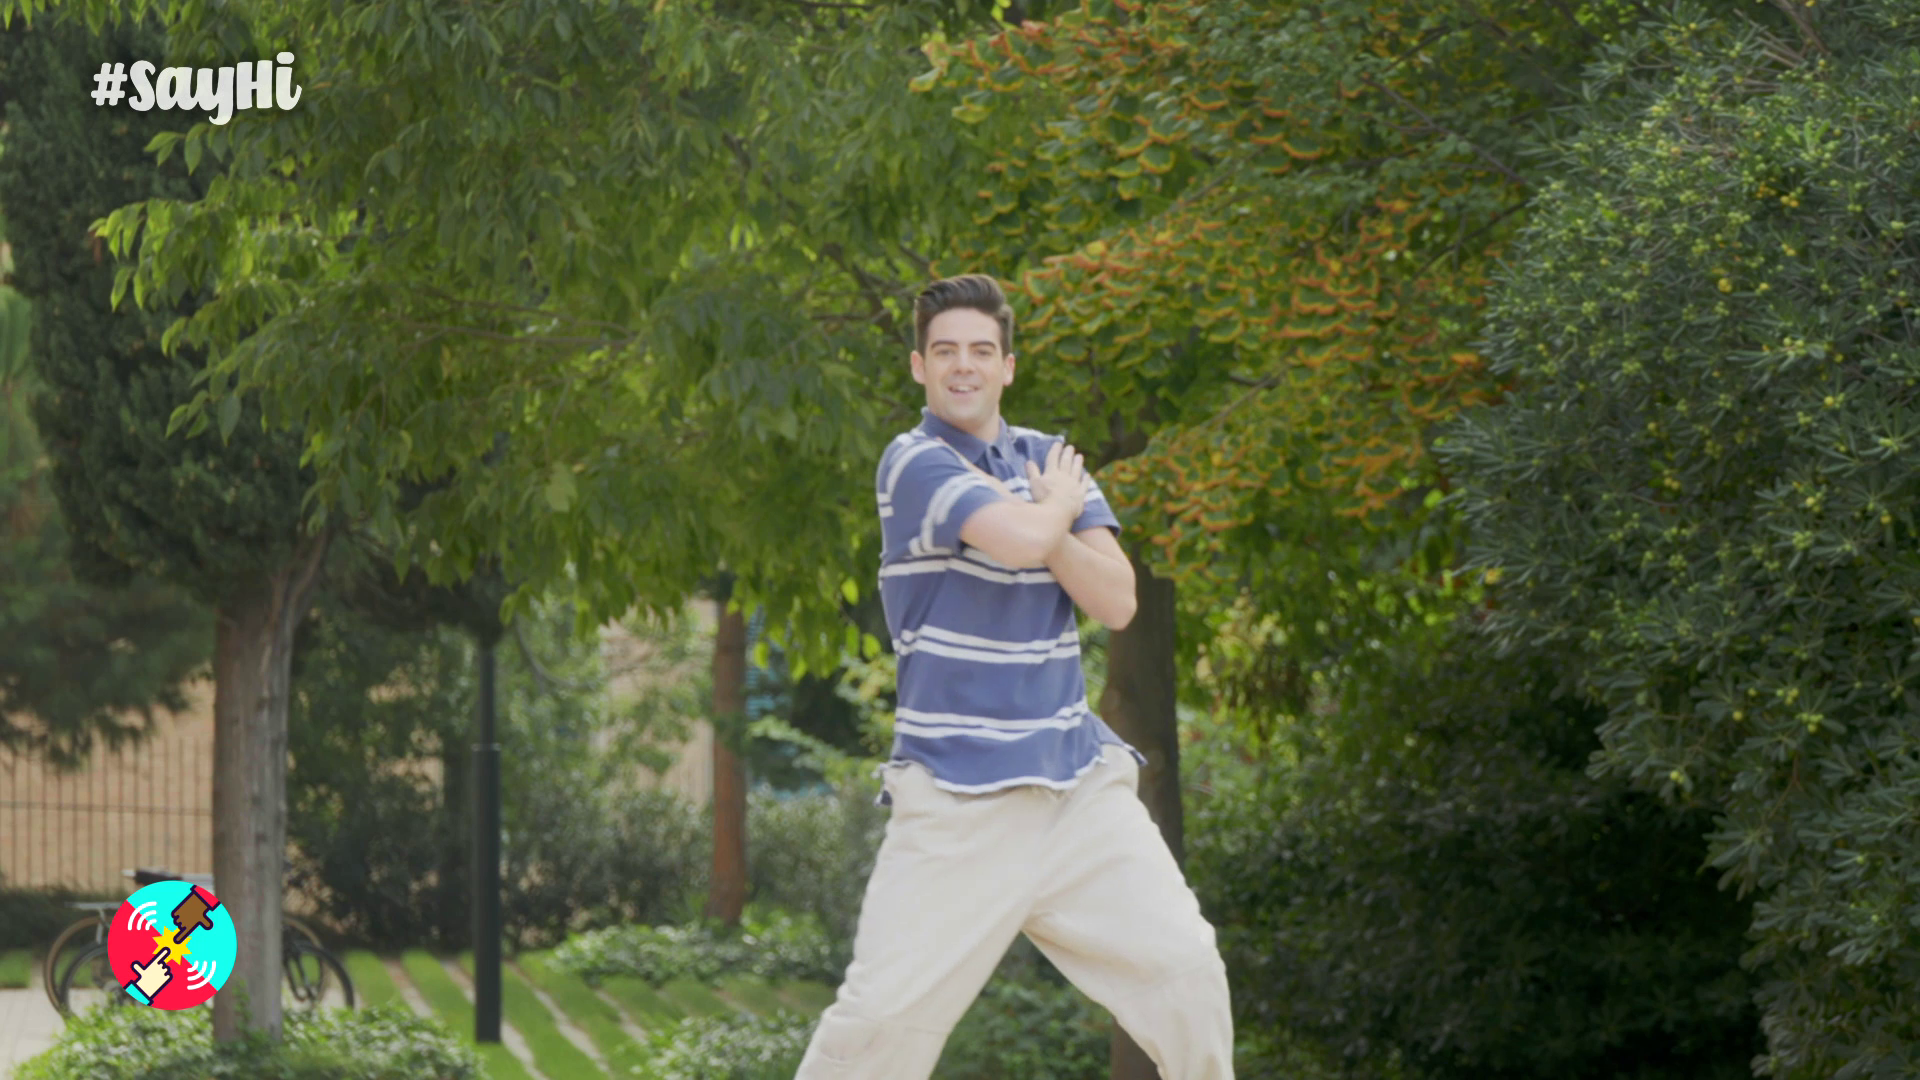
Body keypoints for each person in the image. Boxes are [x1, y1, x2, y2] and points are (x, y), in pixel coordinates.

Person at [794, 273, 1234, 1079]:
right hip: (960, 801)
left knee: (1188, 976)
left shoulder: (1047, 460)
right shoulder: (914, 461)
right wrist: (1056, 511)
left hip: (1078, 791)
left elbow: (1117, 600)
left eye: (980, 351)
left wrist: (1050, 517)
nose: (963, 366)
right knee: (881, 1026)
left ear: (1007, 366)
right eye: (945, 352)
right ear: (920, 367)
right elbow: (1018, 540)